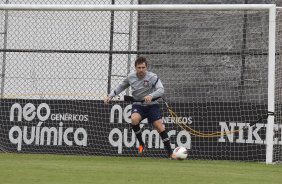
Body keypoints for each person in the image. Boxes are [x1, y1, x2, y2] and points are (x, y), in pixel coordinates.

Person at [104, 56, 176, 159]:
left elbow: (161, 90)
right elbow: (121, 87)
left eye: (143, 67)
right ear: (135, 68)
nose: (141, 70)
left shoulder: (152, 77)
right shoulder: (130, 77)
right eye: (139, 67)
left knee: (159, 127)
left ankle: (170, 154)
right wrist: (110, 95)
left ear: (146, 67)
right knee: (134, 119)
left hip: (152, 105)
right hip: (138, 104)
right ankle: (142, 144)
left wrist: (151, 96)